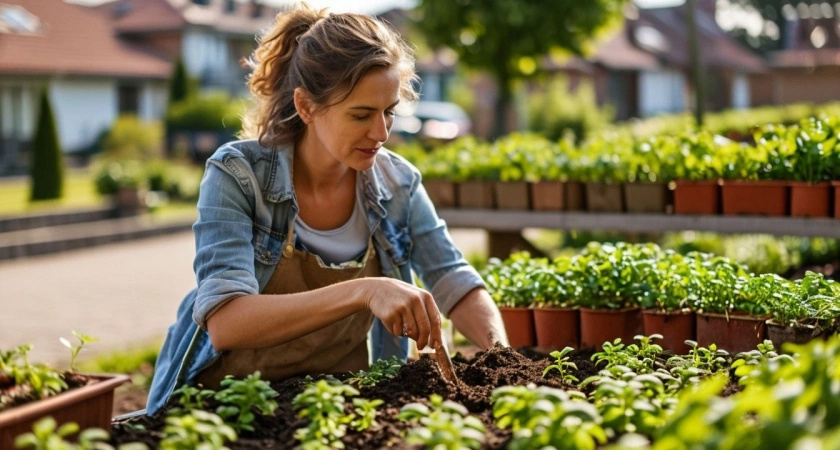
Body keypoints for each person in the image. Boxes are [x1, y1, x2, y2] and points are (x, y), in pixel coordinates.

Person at [145, 2, 508, 415]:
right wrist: (366, 290)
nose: (382, 132)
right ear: (306, 106)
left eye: (389, 112)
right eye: (361, 115)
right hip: (225, 409)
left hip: (333, 407)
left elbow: (452, 278)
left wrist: (502, 359)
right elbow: (227, 322)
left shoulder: (397, 184)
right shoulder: (238, 175)